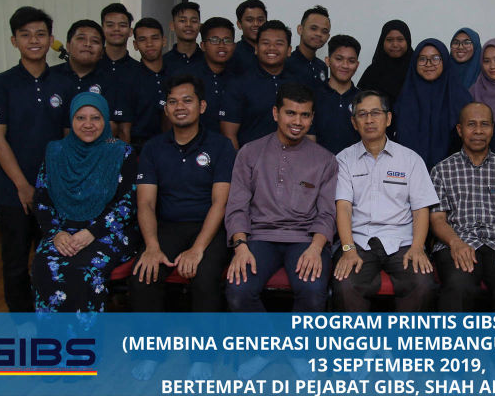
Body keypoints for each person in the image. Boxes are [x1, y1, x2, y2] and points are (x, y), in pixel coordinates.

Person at [0, 6, 73, 312]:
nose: (34, 40)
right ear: (14, 41)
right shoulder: (0, 84)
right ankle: (21, 322)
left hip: (55, 190)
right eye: (25, 35)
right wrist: (23, 185)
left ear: (50, 39)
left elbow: (68, 139)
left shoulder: (64, 83)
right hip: (13, 190)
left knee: (53, 258)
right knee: (16, 260)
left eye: (40, 34)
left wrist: (62, 185)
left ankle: (51, 317)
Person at [224, 83, 338, 312]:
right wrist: (240, 246)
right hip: (259, 237)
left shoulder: (325, 160)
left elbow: (327, 213)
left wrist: (316, 248)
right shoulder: (250, 152)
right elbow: (237, 206)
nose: (297, 122)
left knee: (313, 291)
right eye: (291, 113)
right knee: (238, 290)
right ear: (276, 113)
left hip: (305, 239)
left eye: (305, 115)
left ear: (312, 118)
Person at [129, 73, 235, 313]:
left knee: (204, 276)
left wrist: (197, 248)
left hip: (210, 228)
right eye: (172, 102)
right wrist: (152, 246)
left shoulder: (221, 146)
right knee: (143, 276)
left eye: (187, 100)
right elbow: (145, 203)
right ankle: (151, 339)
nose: (179, 107)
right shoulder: (153, 148)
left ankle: (205, 339)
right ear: (166, 109)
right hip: (168, 227)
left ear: (202, 106)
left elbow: (220, 203)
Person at [332, 90, 438, 311]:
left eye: (375, 113)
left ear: (388, 118)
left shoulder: (410, 159)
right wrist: (348, 249)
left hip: (402, 242)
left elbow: (420, 209)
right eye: (362, 114)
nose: (369, 120)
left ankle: (404, 335)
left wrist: (418, 247)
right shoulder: (343, 159)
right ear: (354, 122)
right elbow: (343, 208)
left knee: (423, 284)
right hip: (359, 241)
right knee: (345, 285)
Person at [31, 92, 137, 312]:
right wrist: (56, 233)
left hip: (108, 233)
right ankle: (53, 333)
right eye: (80, 118)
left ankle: (85, 332)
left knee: (84, 269)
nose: (88, 124)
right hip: (62, 232)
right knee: (44, 264)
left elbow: (127, 204)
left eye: (95, 118)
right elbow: (42, 201)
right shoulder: (55, 151)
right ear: (72, 120)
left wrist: (91, 233)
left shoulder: (121, 152)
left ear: (105, 120)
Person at [430, 102, 495, 312]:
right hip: (458, 242)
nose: (478, 131)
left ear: (493, 129)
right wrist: (455, 242)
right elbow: (437, 219)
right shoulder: (442, 170)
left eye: (484, 124)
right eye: (471, 124)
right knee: (459, 287)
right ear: (460, 130)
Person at [220, 20, 303, 148]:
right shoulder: (238, 84)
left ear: (289, 50)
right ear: (256, 49)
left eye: (279, 43)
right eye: (265, 43)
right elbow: (229, 135)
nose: (272, 48)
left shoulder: (298, 84)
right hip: (251, 159)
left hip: (292, 158)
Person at [394, 39, 472, 169]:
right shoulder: (404, 96)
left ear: (445, 61)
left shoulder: (461, 97)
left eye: (435, 58)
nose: (428, 64)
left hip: (453, 171)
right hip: (408, 170)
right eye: (422, 59)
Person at [172, 17, 238, 133]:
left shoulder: (240, 76)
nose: (221, 45)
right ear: (203, 46)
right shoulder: (186, 77)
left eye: (227, 40)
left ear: (234, 46)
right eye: (214, 40)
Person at [114, 17, 169, 150]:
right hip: (138, 149)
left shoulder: (175, 75)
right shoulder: (127, 78)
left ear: (164, 41)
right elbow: (123, 130)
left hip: (171, 149)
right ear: (135, 45)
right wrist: (128, 158)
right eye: (143, 39)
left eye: (155, 38)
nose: (149, 44)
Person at [51, 20, 117, 122]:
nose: (88, 44)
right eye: (81, 39)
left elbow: (114, 124)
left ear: (102, 52)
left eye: (95, 41)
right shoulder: (49, 77)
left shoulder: (112, 81)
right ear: (68, 46)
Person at [313, 35, 361, 154]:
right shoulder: (313, 96)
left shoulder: (363, 99)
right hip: (319, 163)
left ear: (357, 65)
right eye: (339, 59)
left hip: (356, 164)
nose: (345, 65)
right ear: (328, 61)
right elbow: (308, 141)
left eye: (351, 61)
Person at [98, 4, 140, 138]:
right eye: (110, 25)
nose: (116, 29)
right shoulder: (91, 68)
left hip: (130, 144)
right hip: (92, 145)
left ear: (130, 31)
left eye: (122, 25)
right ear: (102, 29)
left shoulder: (139, 71)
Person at [357, 20, 413, 105]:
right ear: (382, 42)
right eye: (389, 40)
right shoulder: (372, 72)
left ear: (408, 41)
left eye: (400, 39)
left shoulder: (417, 69)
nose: (395, 44)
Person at [287, 5, 330, 88]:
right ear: (300, 29)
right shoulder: (286, 63)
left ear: (328, 37)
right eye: (313, 28)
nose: (319, 34)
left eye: (324, 31)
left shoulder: (322, 66)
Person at [227, 0, 267, 76]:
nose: (256, 24)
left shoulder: (274, 52)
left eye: (260, 20)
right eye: (250, 20)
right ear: (239, 24)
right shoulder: (232, 54)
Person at [163, 1, 203, 75]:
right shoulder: (163, 63)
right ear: (172, 26)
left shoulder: (209, 61)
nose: (188, 24)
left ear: (200, 26)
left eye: (194, 21)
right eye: (182, 21)